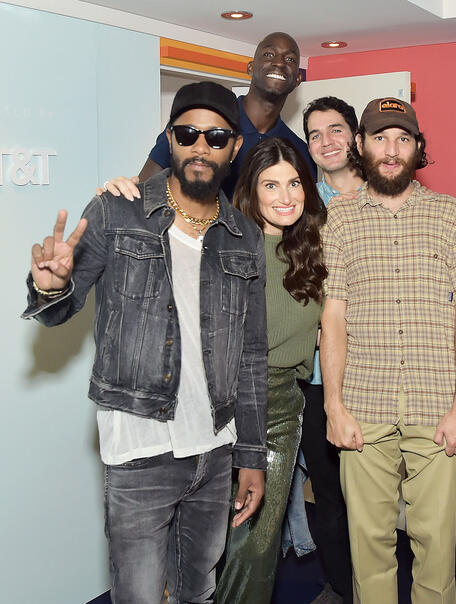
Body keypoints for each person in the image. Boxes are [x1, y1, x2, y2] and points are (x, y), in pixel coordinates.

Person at [22, 81, 267, 603]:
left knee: (197, 591)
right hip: (138, 448)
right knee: (136, 595)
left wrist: (251, 454)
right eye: (188, 133)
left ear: (234, 147)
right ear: (170, 139)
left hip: (217, 448)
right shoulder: (117, 210)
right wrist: (51, 285)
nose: (201, 146)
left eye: (217, 136)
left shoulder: (244, 235)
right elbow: (59, 309)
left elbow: (250, 354)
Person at [320, 97, 456, 604]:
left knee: (437, 548)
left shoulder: (450, 214)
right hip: (363, 406)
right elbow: (333, 316)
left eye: (403, 139)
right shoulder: (340, 219)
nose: (391, 150)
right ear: (360, 145)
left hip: (438, 407)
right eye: (380, 138)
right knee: (367, 549)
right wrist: (333, 404)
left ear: (418, 148)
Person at [215, 137, 326, 603]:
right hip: (225, 401)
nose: (285, 196)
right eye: (271, 184)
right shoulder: (229, 247)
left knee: (254, 543)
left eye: (294, 182)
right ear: (251, 191)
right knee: (210, 541)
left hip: (282, 404)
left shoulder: (314, 249)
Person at [296, 95, 366, 604]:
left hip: (383, 367)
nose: (327, 142)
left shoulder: (389, 194)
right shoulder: (302, 204)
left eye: (336, 129)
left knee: (377, 491)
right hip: (319, 376)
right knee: (329, 489)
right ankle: (342, 586)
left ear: (356, 136)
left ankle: (376, 581)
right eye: (315, 134)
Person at [131, 32, 315, 199]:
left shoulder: (298, 150)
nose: (279, 62)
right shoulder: (200, 122)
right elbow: (144, 189)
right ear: (251, 68)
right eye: (268, 55)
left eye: (290, 59)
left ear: (297, 79)